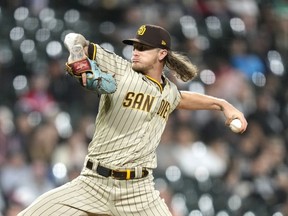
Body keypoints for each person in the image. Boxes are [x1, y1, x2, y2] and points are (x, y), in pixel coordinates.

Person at [18, 24, 247, 216]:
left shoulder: (168, 92)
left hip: (139, 192)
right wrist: (78, 54)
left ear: (162, 54)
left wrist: (222, 105)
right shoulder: (120, 68)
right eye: (135, 46)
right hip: (92, 184)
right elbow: (74, 38)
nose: (135, 52)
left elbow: (183, 98)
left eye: (143, 48)